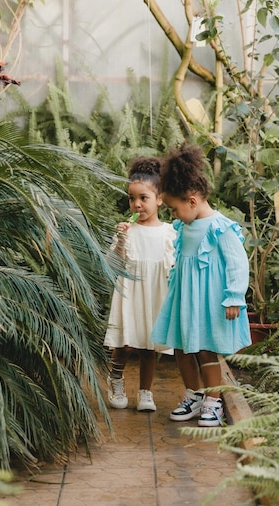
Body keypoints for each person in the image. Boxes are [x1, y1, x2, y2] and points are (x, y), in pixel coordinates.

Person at [150, 143, 251, 427]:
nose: (173, 214)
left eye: (174, 208)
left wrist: (233, 297)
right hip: (186, 297)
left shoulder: (221, 227)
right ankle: (194, 395)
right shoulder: (186, 226)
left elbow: (237, 263)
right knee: (182, 347)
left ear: (192, 201)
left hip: (210, 300)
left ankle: (213, 400)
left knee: (206, 348)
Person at [104, 157, 176, 412]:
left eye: (143, 198)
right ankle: (115, 379)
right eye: (132, 198)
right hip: (130, 294)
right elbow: (114, 261)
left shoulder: (169, 232)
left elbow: (172, 266)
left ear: (159, 198)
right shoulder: (127, 230)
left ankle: (146, 392)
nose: (137, 204)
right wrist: (122, 239)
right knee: (125, 343)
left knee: (149, 346)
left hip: (154, 295)